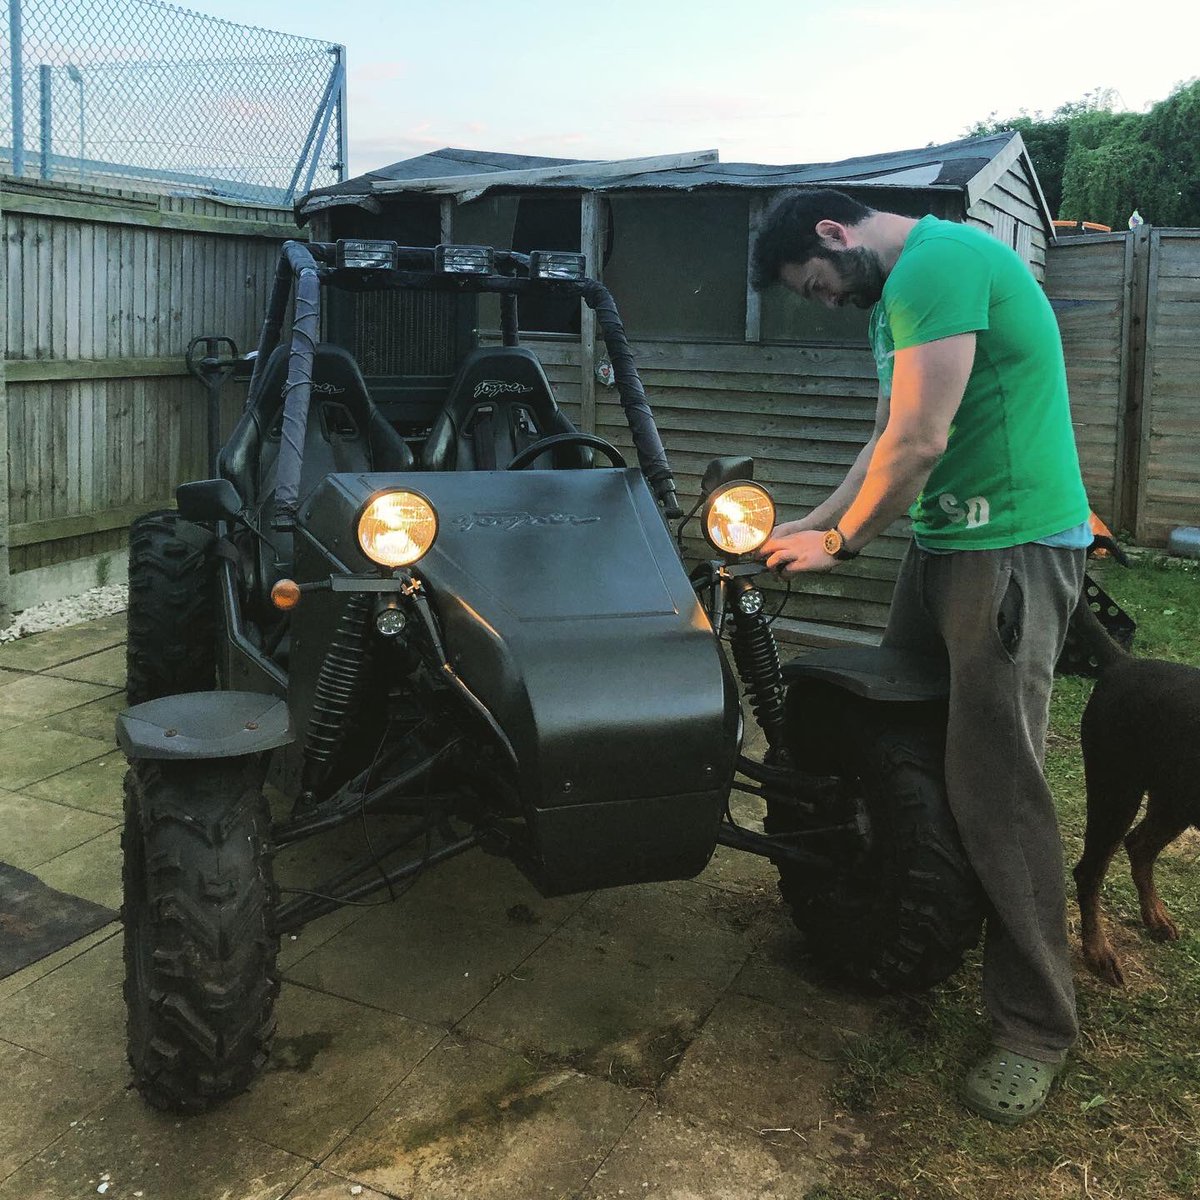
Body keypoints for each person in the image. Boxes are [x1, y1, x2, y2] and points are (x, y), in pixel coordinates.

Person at [751, 189, 1091, 1125]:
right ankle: (924, 917)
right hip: (945, 547)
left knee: (997, 784)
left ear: (835, 233)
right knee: (901, 746)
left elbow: (921, 440)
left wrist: (847, 544)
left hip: (1011, 547)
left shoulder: (942, 263)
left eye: (815, 285)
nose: (823, 302)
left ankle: (1035, 1027)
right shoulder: (893, 298)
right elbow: (881, 441)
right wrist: (809, 524)